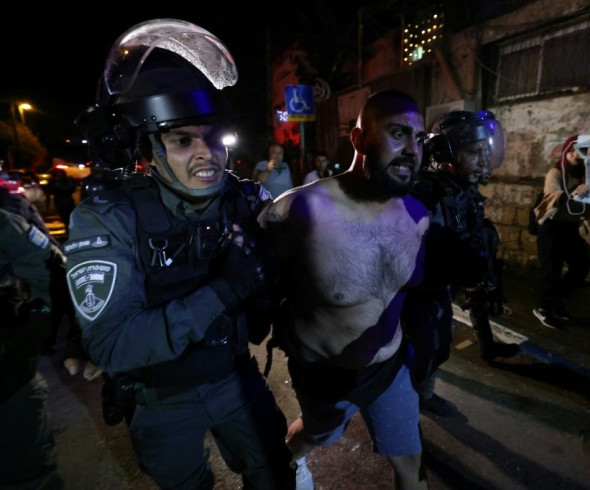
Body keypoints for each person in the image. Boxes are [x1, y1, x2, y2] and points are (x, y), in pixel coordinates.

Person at [67, 19, 294, 489]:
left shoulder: (242, 199)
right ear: (148, 151)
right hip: (159, 396)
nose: (207, 154)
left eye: (215, 137)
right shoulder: (109, 217)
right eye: (182, 140)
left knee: (275, 472)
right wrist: (225, 289)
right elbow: (114, 344)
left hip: (235, 376)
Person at [258, 89, 430, 490]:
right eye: (398, 133)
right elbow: (252, 282)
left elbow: (412, 292)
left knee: (410, 461)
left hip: (389, 369)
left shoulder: (418, 216)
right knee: (314, 436)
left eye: (419, 139)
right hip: (325, 375)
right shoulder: (301, 210)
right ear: (359, 140)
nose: (412, 149)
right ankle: (293, 459)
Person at [405, 110, 519, 417]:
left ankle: (424, 396)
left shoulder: (464, 190)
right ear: (446, 152)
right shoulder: (422, 194)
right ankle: (404, 413)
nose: (483, 160)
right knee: (418, 354)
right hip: (415, 298)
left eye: (486, 151)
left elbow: (473, 238)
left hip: (441, 291)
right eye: (474, 151)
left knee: (440, 349)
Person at [0, 207, 65, 489]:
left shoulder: (4, 223)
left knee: (29, 474)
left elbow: (49, 267)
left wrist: (40, 326)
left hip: (9, 375)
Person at [532, 134, 590, 329]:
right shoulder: (555, 173)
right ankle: (543, 308)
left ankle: (556, 298)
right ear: (566, 152)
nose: (575, 154)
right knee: (551, 270)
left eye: (581, 151)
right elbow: (552, 198)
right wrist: (574, 192)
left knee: (581, 264)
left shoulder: (585, 175)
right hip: (551, 226)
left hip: (569, 227)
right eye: (572, 150)